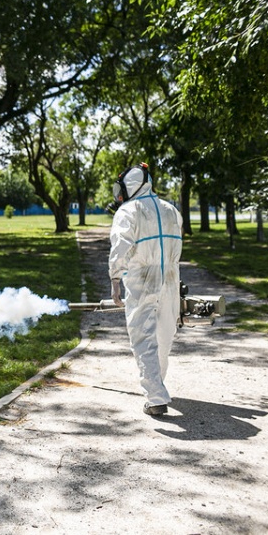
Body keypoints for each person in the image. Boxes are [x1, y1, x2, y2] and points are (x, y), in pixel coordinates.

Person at [108, 163, 183, 416]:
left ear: (130, 186)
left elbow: (120, 247)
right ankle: (157, 389)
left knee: (144, 337)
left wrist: (115, 279)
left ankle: (155, 396)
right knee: (164, 335)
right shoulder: (171, 210)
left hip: (142, 278)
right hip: (171, 278)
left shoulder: (128, 211)